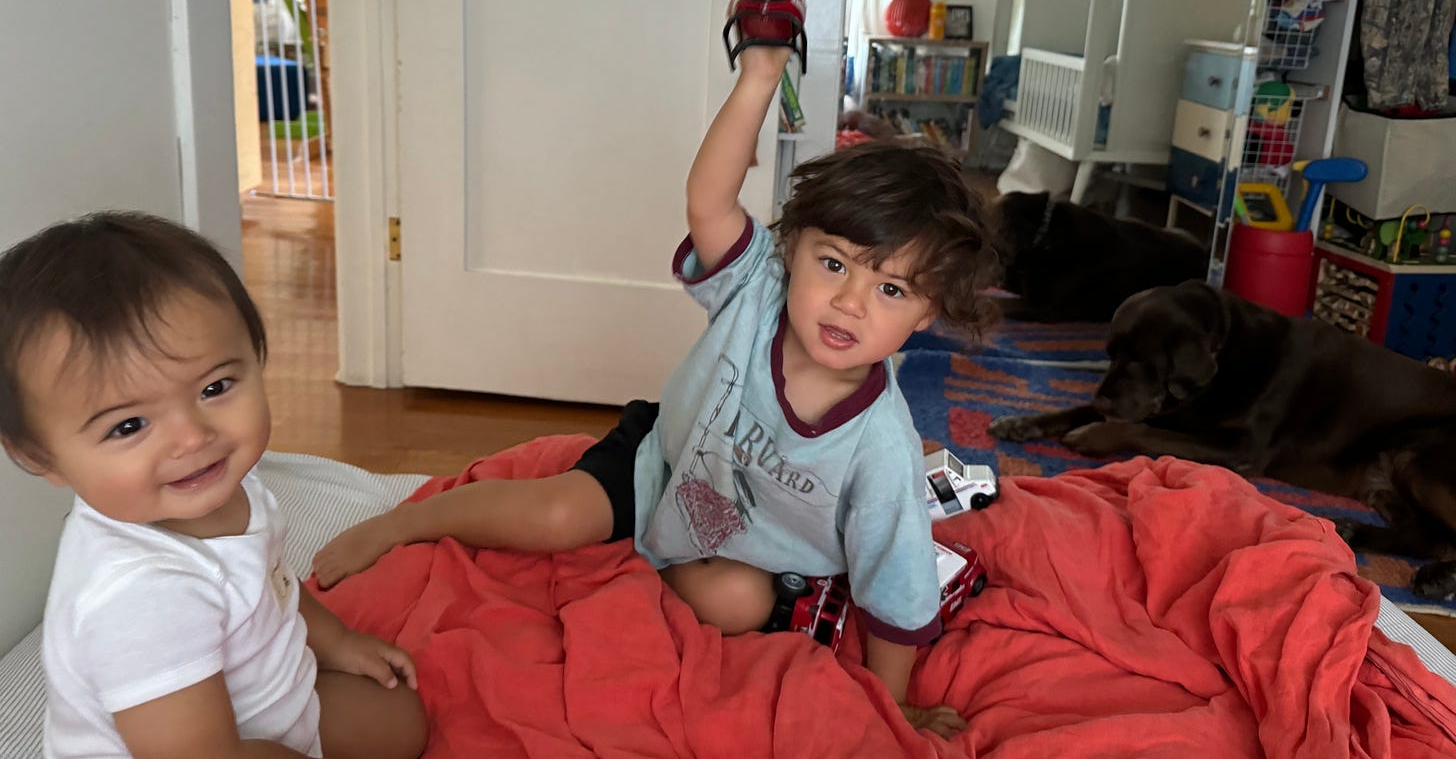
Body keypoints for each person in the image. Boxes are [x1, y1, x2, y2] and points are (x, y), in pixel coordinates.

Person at [313, 45, 996, 738]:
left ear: (927, 313)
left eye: (889, 289)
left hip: (749, 550)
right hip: (659, 459)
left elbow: (896, 583)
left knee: (733, 602)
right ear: (793, 251)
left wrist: (890, 708)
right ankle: (405, 521)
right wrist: (761, 74)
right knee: (553, 517)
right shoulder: (757, 292)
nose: (849, 302)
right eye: (832, 263)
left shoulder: (881, 448)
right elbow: (709, 200)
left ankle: (648, 559)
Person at [0, 213, 429, 759]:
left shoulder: (231, 489)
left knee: (401, 718)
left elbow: (272, 581)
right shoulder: (141, 600)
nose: (192, 438)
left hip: (271, 707)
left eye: (215, 387)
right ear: (43, 457)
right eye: (129, 426)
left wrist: (338, 644)